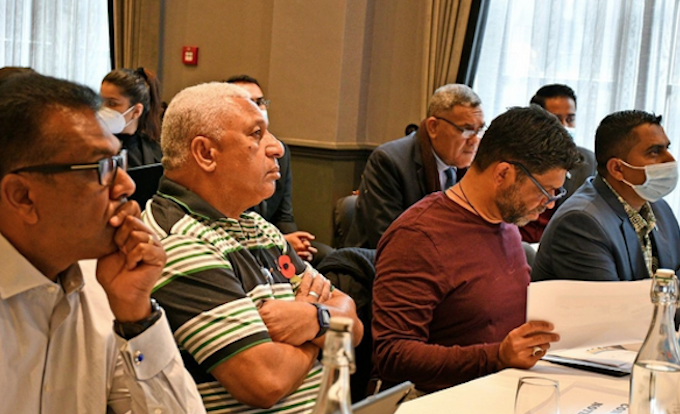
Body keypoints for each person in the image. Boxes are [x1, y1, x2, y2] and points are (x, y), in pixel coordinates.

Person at [144, 82, 363, 414]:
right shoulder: (179, 241)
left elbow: (353, 324)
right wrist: (321, 329)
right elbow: (266, 382)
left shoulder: (256, 225)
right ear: (205, 153)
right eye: (257, 133)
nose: (277, 148)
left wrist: (309, 318)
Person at [0, 73, 208, 414]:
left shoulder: (100, 291)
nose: (127, 184)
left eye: (119, 162)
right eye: (102, 167)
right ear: (23, 196)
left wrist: (137, 317)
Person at [372, 105, 581, 394]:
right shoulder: (419, 236)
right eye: (544, 192)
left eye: (556, 194)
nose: (548, 204)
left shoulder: (505, 221)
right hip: (440, 401)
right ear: (503, 174)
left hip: (502, 386)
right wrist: (497, 356)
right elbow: (393, 355)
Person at [533, 110, 680, 281]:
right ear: (617, 169)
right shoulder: (581, 222)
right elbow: (612, 305)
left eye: (666, 148)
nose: (670, 160)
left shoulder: (659, 207)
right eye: (654, 152)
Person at [346, 84, 485, 249]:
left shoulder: (467, 167)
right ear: (433, 127)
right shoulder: (388, 161)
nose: (475, 140)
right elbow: (390, 239)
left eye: (480, 130)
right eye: (467, 130)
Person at [224, 74, 333, 265]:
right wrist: (281, 243)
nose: (257, 109)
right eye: (248, 102)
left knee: (333, 258)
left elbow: (284, 216)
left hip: (273, 238)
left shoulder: (279, 151)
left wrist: (295, 242)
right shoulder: (226, 155)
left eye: (261, 102)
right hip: (241, 245)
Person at [520, 84, 596, 242]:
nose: (564, 126)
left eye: (570, 119)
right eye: (556, 119)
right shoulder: (515, 158)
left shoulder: (589, 163)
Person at [100, 67, 164, 167]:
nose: (103, 108)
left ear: (136, 111)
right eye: (100, 101)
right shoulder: (90, 148)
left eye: (112, 103)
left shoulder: (157, 155)